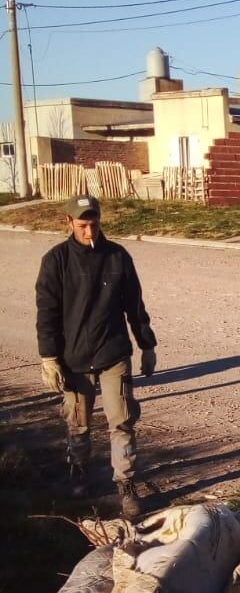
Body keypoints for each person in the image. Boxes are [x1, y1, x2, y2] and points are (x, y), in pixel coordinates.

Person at [35, 194, 157, 518]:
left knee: (122, 422)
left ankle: (126, 484)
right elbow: (46, 314)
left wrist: (147, 346)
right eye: (83, 225)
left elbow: (135, 306)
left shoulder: (118, 257)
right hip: (73, 358)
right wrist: (49, 358)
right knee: (78, 424)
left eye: (95, 224)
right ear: (69, 223)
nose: (90, 232)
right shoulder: (55, 262)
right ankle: (79, 472)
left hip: (113, 353)